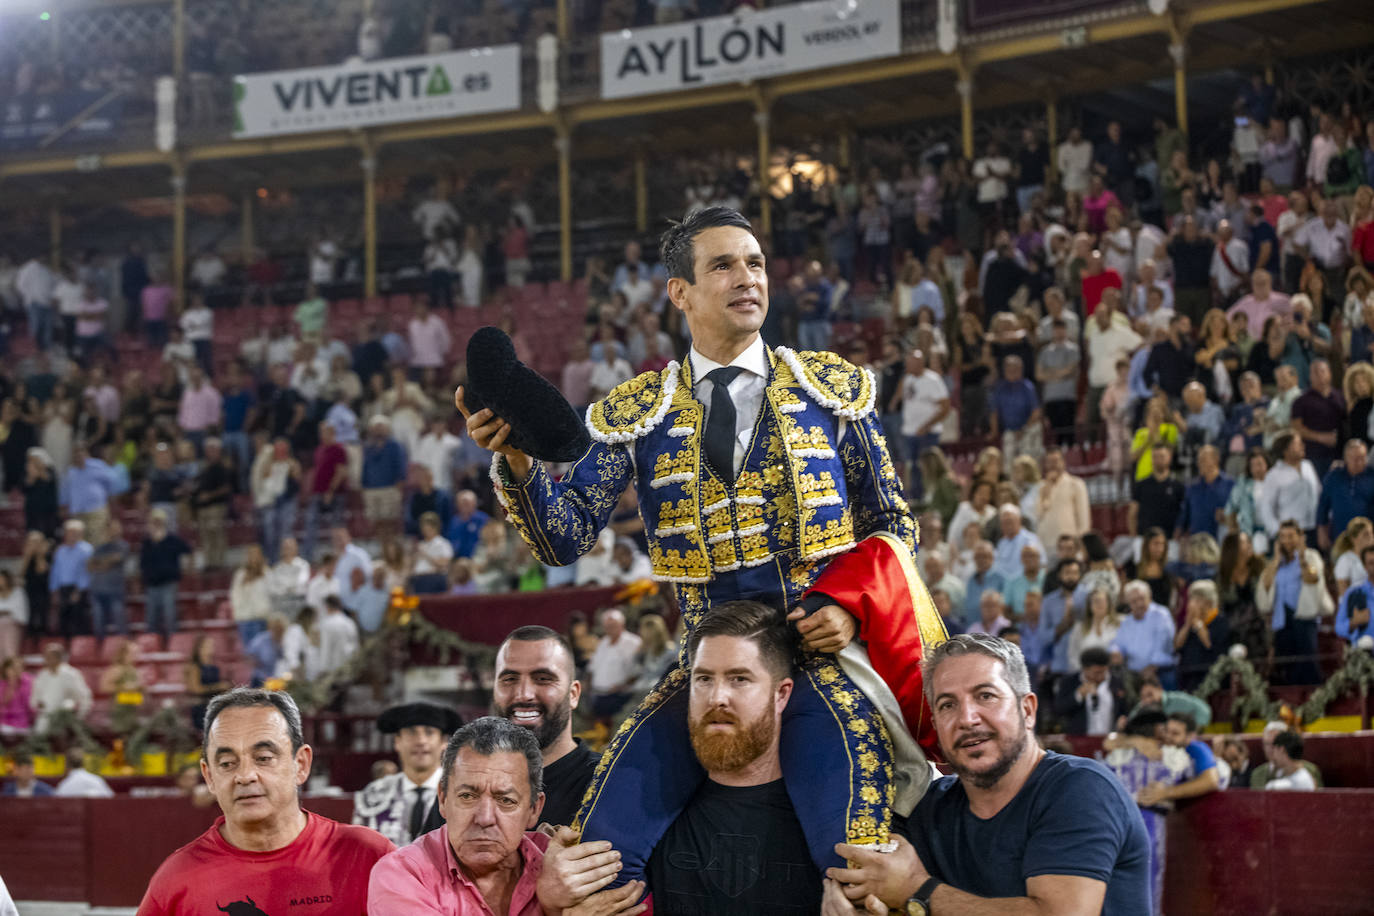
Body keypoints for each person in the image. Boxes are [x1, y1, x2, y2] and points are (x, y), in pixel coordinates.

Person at [459, 206, 943, 883]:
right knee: (591, 860)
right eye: (723, 265)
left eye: (755, 263)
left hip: (818, 657)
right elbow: (564, 539)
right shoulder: (639, 411)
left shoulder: (828, 391)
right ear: (679, 292)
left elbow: (893, 522)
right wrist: (517, 465)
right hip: (704, 666)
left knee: (860, 867)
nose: (747, 278)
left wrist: (851, 605)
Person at [822, 633, 1150, 914]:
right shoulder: (932, 810)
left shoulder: (1080, 789)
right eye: (947, 704)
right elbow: (887, 888)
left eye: (986, 696)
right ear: (935, 724)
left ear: (1027, 710)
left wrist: (917, 891)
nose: (967, 718)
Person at [137, 688, 394, 913]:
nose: (245, 776)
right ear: (209, 776)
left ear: (301, 764)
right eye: (227, 763)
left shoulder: (368, 856)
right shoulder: (177, 879)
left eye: (263, 758)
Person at [367, 717, 562, 914]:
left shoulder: (561, 866)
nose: (485, 818)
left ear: (534, 809)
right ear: (443, 799)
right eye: (467, 796)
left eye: (506, 801)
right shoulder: (402, 874)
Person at [491, 626, 599, 829]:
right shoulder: (464, 783)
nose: (523, 694)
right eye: (510, 679)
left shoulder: (609, 786)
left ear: (573, 694)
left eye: (543, 679)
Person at [1103, 708, 1190, 916]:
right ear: (1155, 730)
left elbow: (1108, 746)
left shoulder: (1118, 754)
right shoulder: (1173, 756)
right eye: (1163, 728)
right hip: (1150, 821)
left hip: (1117, 822)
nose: (1167, 734)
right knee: (1149, 880)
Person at [354, 701, 464, 847]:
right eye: (411, 732)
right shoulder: (373, 793)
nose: (420, 741)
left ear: (443, 742)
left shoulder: (461, 790)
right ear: (397, 741)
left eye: (429, 732)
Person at [1256, 520, 1333, 684]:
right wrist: (1276, 560)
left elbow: (1312, 578)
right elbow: (1266, 584)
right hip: (1282, 620)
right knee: (1285, 666)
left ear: (1300, 537)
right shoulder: (1275, 563)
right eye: (1282, 536)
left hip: (1304, 618)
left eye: (1291, 536)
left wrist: (1303, 556)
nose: (1287, 540)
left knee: (1307, 663)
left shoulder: (1311, 556)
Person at [1135, 712, 1223, 805]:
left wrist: (1165, 793)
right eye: (1166, 730)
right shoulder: (1161, 745)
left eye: (1175, 733)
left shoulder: (1197, 748)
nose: (1167, 736)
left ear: (1189, 737)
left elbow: (1211, 780)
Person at [1116, 580, 1179, 690]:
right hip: (1134, 675)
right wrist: (1116, 652)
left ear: (1149, 597)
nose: (1139, 604)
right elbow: (1118, 644)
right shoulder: (1127, 622)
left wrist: (1152, 667)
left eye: (1142, 598)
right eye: (1134, 601)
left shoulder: (1161, 614)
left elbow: (1164, 644)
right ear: (1128, 603)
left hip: (1161, 671)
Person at [1054, 646, 1127, 736]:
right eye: (1096, 673)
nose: (1101, 676)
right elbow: (1059, 709)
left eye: (1103, 672)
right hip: (1079, 740)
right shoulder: (1070, 682)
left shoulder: (1116, 683)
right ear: (1085, 669)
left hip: (1109, 739)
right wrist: (1078, 695)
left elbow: (1123, 709)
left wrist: (1121, 720)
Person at [1175, 580, 1231, 691]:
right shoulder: (1189, 622)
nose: (1192, 604)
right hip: (1188, 675)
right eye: (1191, 599)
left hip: (1210, 677)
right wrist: (1187, 625)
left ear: (1208, 602)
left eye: (1197, 600)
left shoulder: (1220, 621)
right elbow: (1177, 646)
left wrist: (1198, 623)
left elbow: (1209, 644)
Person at [30, 643, 92, 732]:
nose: (47, 659)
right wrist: (38, 704)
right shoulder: (41, 675)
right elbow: (34, 699)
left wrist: (78, 717)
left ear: (59, 658)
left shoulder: (71, 675)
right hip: (44, 720)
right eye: (46, 656)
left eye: (52, 656)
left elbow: (84, 697)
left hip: (64, 722)